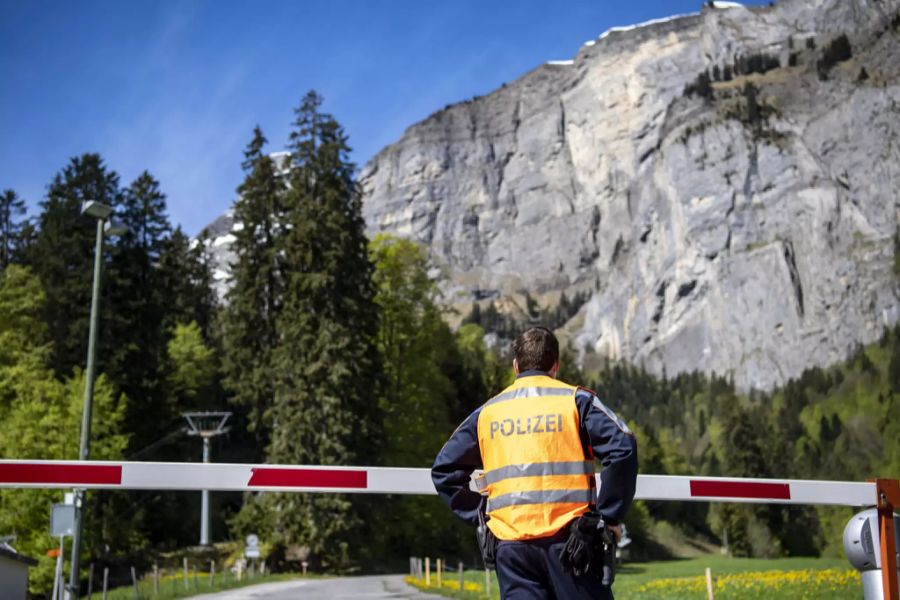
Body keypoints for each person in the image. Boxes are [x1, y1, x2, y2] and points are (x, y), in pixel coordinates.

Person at [432, 326, 638, 599]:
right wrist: (609, 516)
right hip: (573, 544)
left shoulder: (488, 412)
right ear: (555, 365)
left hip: (512, 548)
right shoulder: (577, 401)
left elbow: (444, 470)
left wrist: (482, 515)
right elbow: (623, 448)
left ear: (516, 366)